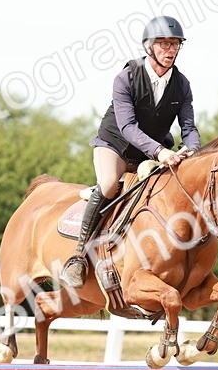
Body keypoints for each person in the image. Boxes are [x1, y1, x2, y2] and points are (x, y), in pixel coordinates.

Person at [59, 15, 202, 288]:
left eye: (175, 44)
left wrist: (193, 150)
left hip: (149, 154)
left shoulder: (182, 84)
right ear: (149, 46)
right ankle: (78, 257)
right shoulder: (126, 77)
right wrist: (160, 152)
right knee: (109, 185)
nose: (170, 50)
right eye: (163, 44)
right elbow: (127, 127)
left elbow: (188, 127)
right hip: (115, 146)